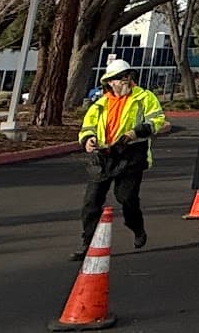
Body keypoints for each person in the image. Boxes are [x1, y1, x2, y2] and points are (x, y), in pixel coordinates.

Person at [73, 58, 167, 259]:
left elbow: (157, 119)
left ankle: (136, 227)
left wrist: (136, 132)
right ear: (110, 82)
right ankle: (86, 243)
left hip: (131, 155)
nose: (125, 81)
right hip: (103, 156)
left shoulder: (144, 97)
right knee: (91, 202)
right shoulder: (100, 104)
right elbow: (87, 126)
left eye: (127, 76)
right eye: (120, 78)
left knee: (126, 198)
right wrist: (88, 140)